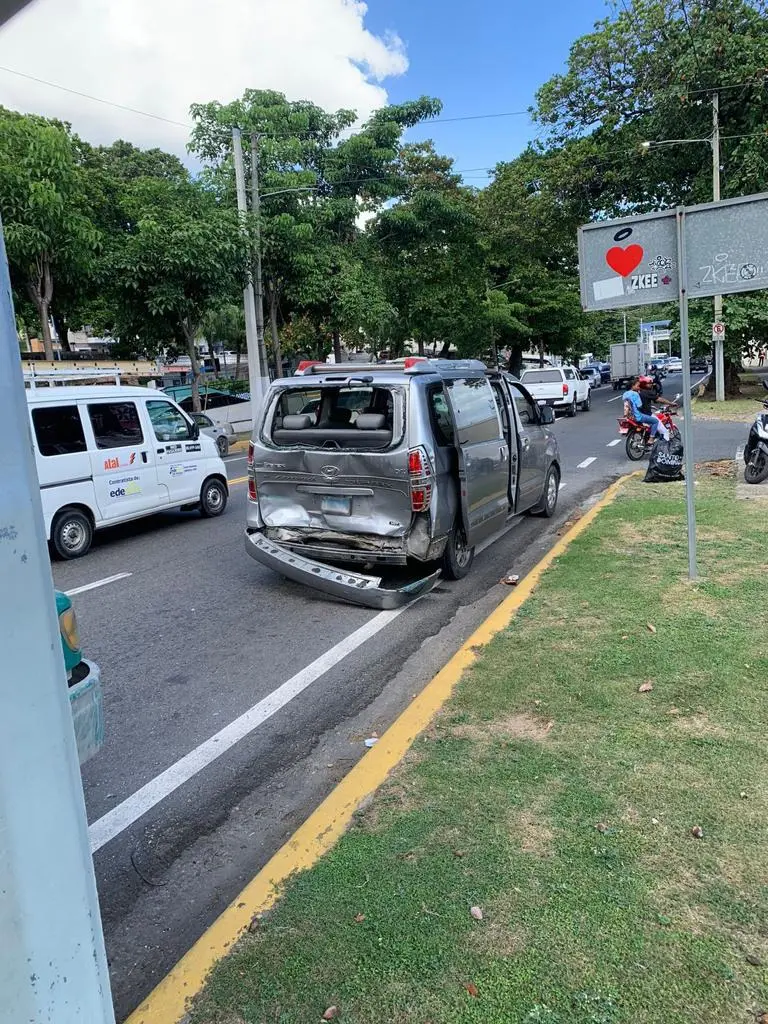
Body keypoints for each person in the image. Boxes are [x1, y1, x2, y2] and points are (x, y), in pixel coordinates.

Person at [623, 377, 670, 441]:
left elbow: (627, 405)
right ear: (632, 386)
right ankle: (651, 439)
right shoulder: (636, 394)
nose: (639, 387)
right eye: (637, 386)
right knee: (655, 421)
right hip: (638, 416)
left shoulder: (625, 394)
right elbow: (639, 406)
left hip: (630, 416)